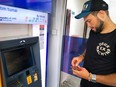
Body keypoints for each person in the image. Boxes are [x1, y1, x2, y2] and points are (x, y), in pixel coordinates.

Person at [71, 0, 116, 87]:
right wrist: (82, 56)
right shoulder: (94, 30)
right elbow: (91, 46)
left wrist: (90, 76)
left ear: (102, 14)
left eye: (89, 21)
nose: (88, 26)